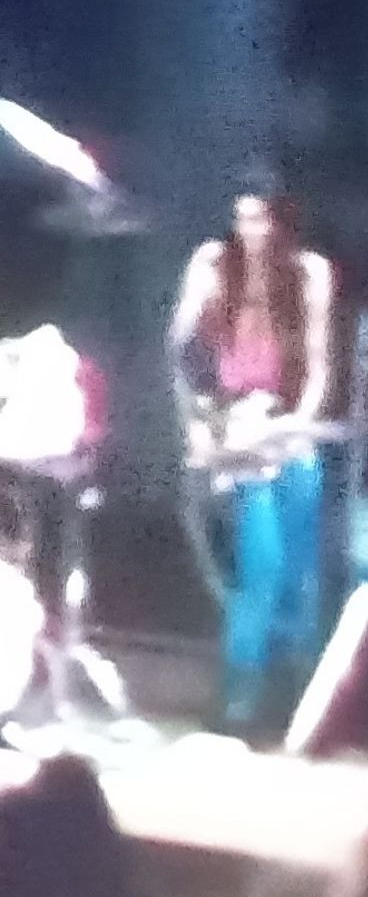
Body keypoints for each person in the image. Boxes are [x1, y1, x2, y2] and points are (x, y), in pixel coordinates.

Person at [170, 172, 336, 732]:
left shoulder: (309, 273)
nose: (252, 232)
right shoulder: (215, 265)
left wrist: (291, 425)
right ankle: (238, 699)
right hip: (236, 428)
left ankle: (300, 699)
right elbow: (182, 351)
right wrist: (211, 425)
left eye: (263, 219)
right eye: (243, 219)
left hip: (289, 426)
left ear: (283, 222)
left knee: (300, 571)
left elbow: (318, 372)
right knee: (259, 566)